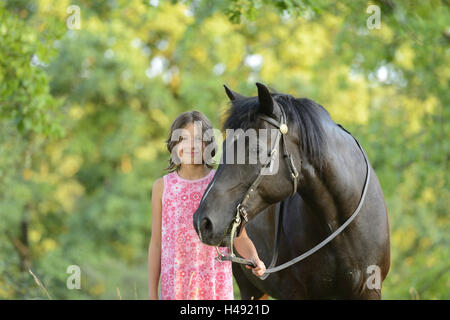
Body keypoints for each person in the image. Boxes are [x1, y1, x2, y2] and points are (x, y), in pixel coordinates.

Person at [148, 110, 266, 300]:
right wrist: (152, 295)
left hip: (214, 286)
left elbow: (239, 237)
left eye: (198, 139)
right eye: (183, 139)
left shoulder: (221, 185)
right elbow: (156, 244)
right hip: (176, 288)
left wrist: (254, 258)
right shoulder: (163, 187)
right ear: (174, 145)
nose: (190, 146)